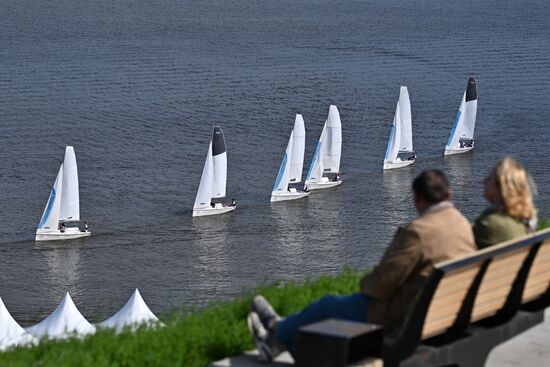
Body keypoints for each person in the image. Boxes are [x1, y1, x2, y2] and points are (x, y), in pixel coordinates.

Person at [247, 170, 476, 362]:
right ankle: (279, 339)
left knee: (328, 306)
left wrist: (364, 283)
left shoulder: (418, 232)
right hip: (446, 313)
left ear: (417, 199)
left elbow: (380, 286)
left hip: (402, 319)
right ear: (449, 194)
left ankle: (276, 333)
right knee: (329, 313)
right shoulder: (462, 224)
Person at [473, 157, 537, 249]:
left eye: (489, 178)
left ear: (500, 186)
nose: (484, 181)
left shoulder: (489, 223)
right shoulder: (526, 222)